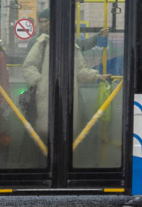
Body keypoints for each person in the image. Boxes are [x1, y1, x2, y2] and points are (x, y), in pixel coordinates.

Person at [22, 8, 108, 137]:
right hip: (42, 90)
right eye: (41, 22)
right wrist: (40, 81)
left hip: (65, 87)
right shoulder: (37, 42)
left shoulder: (68, 40)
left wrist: (98, 36)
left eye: (45, 21)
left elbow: (83, 48)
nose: (43, 24)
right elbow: (28, 64)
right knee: (39, 125)